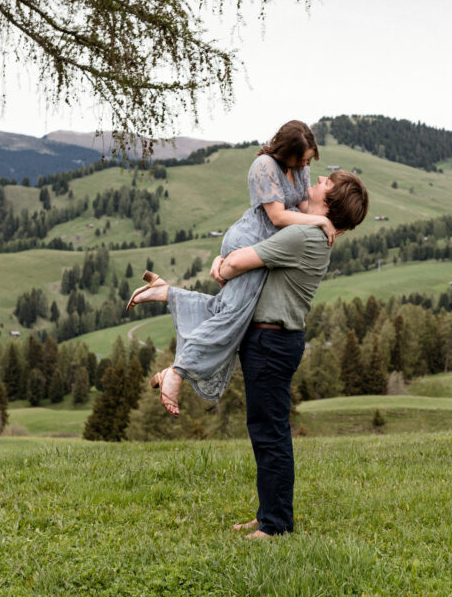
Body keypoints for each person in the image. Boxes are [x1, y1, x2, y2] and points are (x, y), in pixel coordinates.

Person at [126, 120, 336, 415]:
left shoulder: (300, 168)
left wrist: (326, 219)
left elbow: (301, 207)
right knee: (232, 318)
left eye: (308, 159)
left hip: (266, 250)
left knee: (226, 312)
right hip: (250, 240)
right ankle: (177, 373)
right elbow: (277, 216)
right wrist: (321, 221)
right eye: (301, 158)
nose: (305, 164)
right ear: (285, 151)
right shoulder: (264, 166)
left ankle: (166, 294)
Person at [216, 169, 369, 537]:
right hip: (273, 341)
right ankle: (268, 512)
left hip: (270, 342)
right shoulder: (312, 232)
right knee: (266, 431)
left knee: (270, 434)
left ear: (327, 202)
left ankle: (275, 525)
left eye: (322, 184)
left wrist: (222, 265)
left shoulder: (305, 235)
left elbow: (236, 264)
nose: (313, 181)